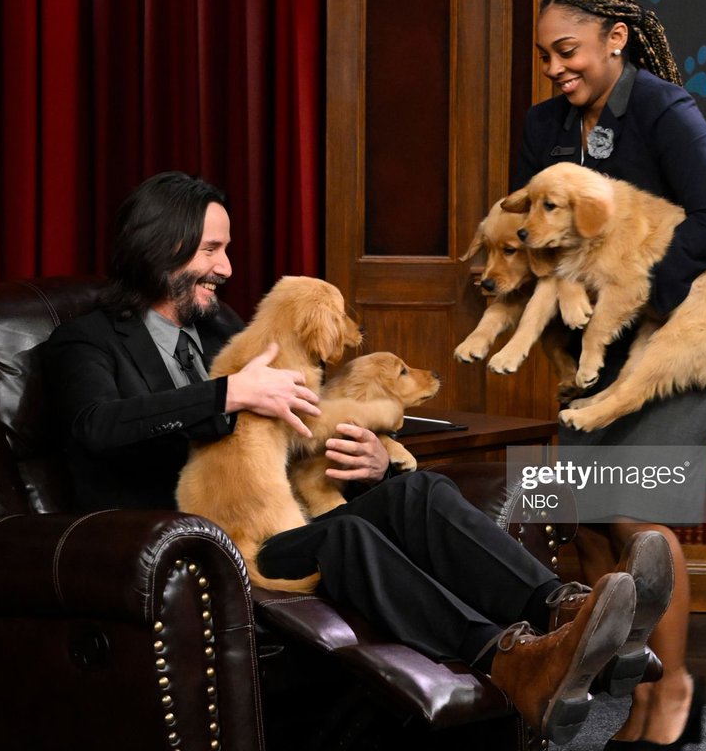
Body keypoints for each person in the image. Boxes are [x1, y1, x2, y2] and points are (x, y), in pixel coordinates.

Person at [43, 170, 669, 742]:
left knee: (418, 491)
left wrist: (369, 456)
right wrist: (226, 393)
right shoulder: (87, 340)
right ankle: (514, 662)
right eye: (211, 250)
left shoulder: (219, 326)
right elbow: (95, 426)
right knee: (347, 539)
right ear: (160, 246)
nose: (227, 267)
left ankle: (571, 612)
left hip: (277, 515)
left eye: (225, 249)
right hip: (198, 544)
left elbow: (290, 428)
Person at [512, 0, 706, 751]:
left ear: (616, 39)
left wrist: (644, 295)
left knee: (639, 511)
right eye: (546, 56)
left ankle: (675, 690)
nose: (555, 68)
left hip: (686, 329)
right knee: (587, 520)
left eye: (567, 50)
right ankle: (642, 694)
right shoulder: (544, 125)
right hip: (596, 348)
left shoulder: (663, 109)